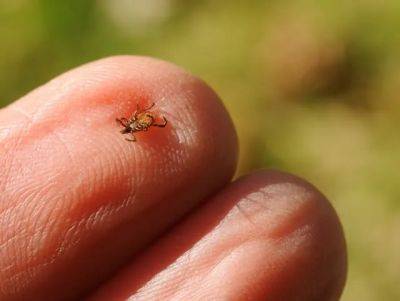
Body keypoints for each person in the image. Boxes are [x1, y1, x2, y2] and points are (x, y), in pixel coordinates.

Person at [0, 56, 347, 300]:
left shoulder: (143, 124)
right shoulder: (142, 123)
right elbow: (141, 122)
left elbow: (143, 123)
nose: (134, 125)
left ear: (137, 121)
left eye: (135, 123)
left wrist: (141, 125)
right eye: (133, 124)